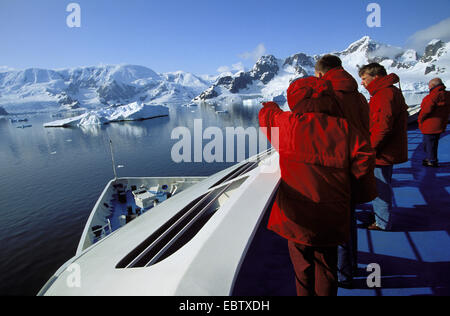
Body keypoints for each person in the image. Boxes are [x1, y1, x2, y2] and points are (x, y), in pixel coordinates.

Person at [259, 77, 376, 296]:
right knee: (327, 267)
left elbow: (267, 118)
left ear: (295, 98)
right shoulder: (344, 128)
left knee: (302, 267)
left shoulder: (287, 124)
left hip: (297, 216)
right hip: (332, 213)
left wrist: (270, 106)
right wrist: (354, 190)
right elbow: (365, 159)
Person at [315, 54, 377, 288]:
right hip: (357, 163)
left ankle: (342, 274)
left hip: (336, 167)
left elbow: (324, 134)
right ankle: (350, 266)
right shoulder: (358, 95)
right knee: (348, 218)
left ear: (321, 74)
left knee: (335, 222)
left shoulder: (328, 96)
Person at [359, 63, 408, 231]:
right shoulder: (389, 91)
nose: (362, 83)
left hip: (382, 152)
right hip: (387, 150)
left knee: (380, 187)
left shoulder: (384, 94)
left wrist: (370, 150)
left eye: (364, 78)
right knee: (380, 185)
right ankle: (381, 217)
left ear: (376, 77)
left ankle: (382, 222)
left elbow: (382, 127)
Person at [418, 78, 450, 168]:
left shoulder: (431, 97)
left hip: (429, 124)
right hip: (441, 123)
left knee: (429, 143)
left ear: (432, 86)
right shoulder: (448, 95)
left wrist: (420, 120)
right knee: (432, 142)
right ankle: (430, 158)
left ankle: (432, 160)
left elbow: (425, 110)